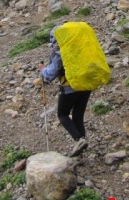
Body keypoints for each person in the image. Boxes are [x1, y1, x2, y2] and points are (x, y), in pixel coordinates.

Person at [39, 26, 90, 157]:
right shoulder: (78, 47)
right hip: (86, 85)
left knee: (62, 115)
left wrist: (42, 69)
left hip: (69, 88)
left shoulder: (59, 51)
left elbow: (51, 74)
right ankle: (81, 148)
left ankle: (79, 140)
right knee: (78, 115)